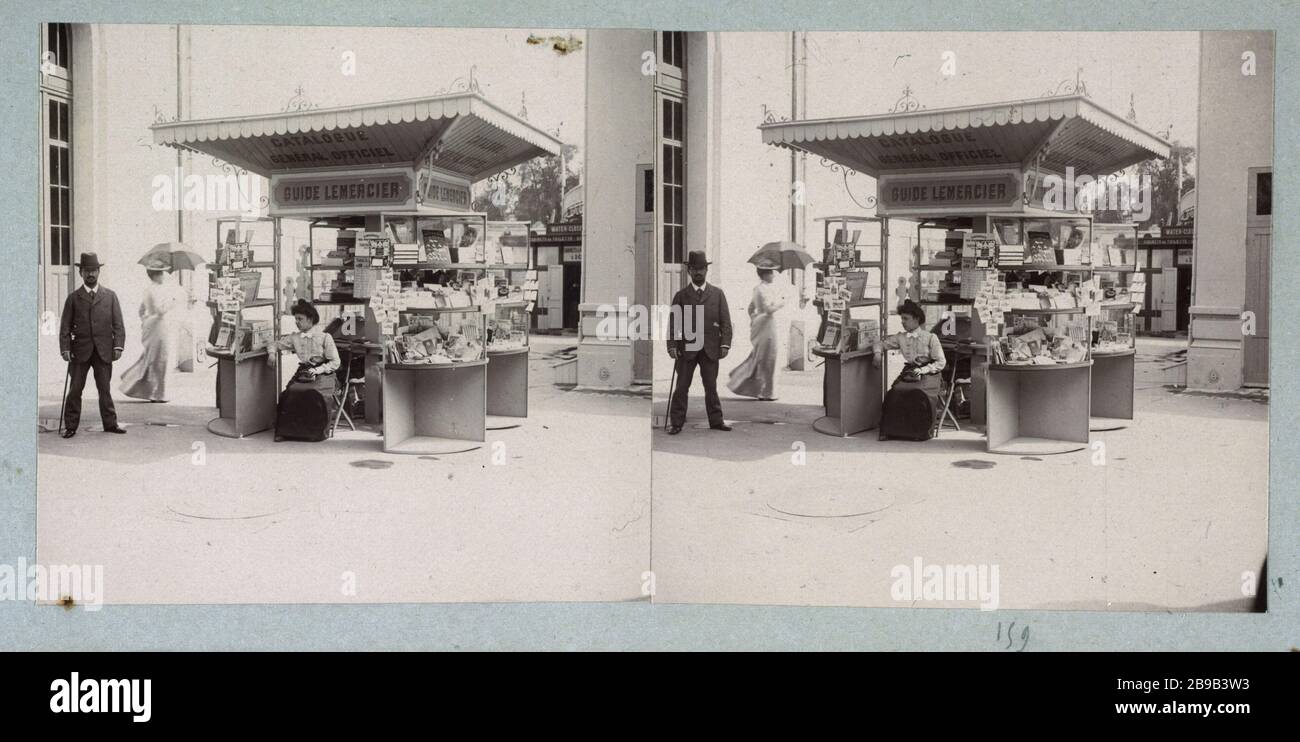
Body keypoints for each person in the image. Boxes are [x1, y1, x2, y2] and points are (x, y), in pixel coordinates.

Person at [59, 253, 127, 437]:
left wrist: (118, 346)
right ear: (81, 272)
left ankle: (111, 424)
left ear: (99, 272)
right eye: (87, 270)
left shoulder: (110, 296)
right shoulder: (73, 298)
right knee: (75, 390)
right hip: (79, 351)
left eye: (94, 270)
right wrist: (65, 348)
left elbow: (119, 324)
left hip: (104, 351)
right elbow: (64, 326)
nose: (91, 274)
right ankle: (71, 426)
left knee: (104, 389)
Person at [666, 250, 733, 435]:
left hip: (711, 348)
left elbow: (726, 322)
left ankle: (717, 421)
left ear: (706, 270)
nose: (698, 272)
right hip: (687, 349)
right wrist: (672, 345)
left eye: (702, 268)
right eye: (694, 268)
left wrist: (725, 344)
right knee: (681, 387)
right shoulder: (681, 296)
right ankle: (676, 423)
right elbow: (673, 323)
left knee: (711, 386)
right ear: (688, 270)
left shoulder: (717, 294)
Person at [270, 299, 340, 440]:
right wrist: (271, 353)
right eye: (296, 319)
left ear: (310, 319)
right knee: (289, 393)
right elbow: (275, 344)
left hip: (324, 373)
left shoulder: (325, 337)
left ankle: (314, 433)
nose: (297, 322)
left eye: (300, 319)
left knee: (313, 393)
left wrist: (319, 370)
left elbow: (335, 361)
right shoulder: (294, 337)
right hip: (304, 372)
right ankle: (286, 432)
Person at [875, 300, 947, 438]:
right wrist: (877, 354)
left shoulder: (931, 337)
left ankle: (919, 433)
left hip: (930, 373)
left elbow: (941, 361)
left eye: (906, 319)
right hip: (910, 372)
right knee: (894, 392)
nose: (903, 322)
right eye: (902, 318)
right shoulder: (901, 337)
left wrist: (925, 369)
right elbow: (880, 344)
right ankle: (894, 432)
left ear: (916, 319)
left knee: (918, 393)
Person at [119, 262, 185, 402]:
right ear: (154, 275)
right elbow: (160, 310)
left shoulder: (151, 289)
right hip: (159, 327)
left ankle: (156, 391)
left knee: (154, 358)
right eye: (160, 273)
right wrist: (173, 301)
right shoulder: (153, 290)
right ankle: (158, 393)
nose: (163, 276)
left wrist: (145, 320)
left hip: (155, 326)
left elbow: (141, 310)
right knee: (160, 359)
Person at [726, 262, 785, 400]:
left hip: (763, 324)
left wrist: (754, 319)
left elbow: (750, 308)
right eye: (771, 272)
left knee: (762, 356)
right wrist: (781, 303)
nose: (773, 275)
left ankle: (763, 390)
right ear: (764, 274)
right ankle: (767, 391)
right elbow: (768, 310)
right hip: (768, 325)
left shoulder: (759, 289)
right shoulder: (762, 289)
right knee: (768, 357)